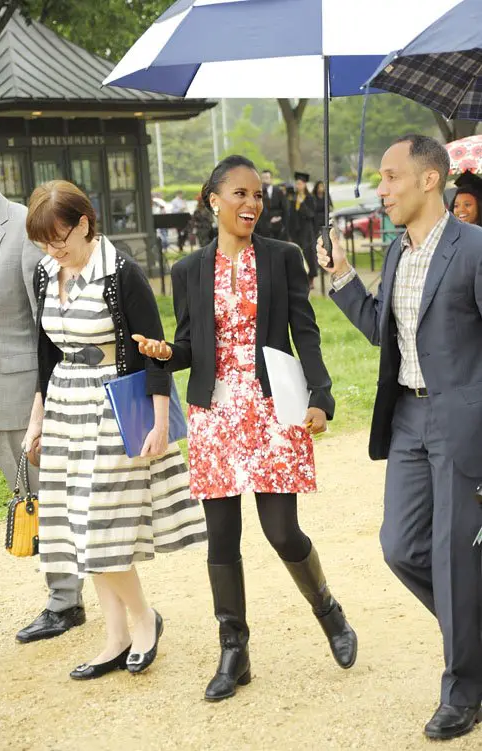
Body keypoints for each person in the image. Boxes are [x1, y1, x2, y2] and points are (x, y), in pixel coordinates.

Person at [134, 155, 357, 702]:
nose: (252, 203)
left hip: (271, 410)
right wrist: (166, 353)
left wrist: (321, 395)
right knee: (222, 538)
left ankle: (327, 609)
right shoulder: (189, 270)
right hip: (215, 418)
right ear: (214, 200)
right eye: (240, 193)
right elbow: (191, 346)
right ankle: (234, 649)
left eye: (257, 194)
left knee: (282, 531)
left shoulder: (283, 257)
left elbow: (305, 331)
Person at [317, 134, 482, 741]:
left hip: (462, 422)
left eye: (391, 177)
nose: (381, 190)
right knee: (401, 547)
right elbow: (382, 332)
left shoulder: (474, 248)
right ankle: (474, 636)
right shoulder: (395, 252)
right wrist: (341, 277)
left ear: (429, 179)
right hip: (408, 420)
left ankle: (463, 691)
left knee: (455, 556)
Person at [24, 180, 206, 680]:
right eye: (43, 243)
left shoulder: (121, 272)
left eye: (59, 239)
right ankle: (116, 636)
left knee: (100, 526)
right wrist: (38, 418)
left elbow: (155, 351)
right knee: (80, 530)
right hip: (65, 404)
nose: (52, 250)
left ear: (84, 224)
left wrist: (161, 423)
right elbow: (45, 353)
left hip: (114, 407)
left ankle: (143, 620)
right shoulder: (45, 272)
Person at [0, 142, 86, 645]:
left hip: (15, 395)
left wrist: (45, 400)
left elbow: (50, 327)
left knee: (40, 499)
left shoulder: (25, 228)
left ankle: (66, 603)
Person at [289, 171, 318, 288]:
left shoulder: (310, 198)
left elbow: (311, 214)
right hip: (296, 229)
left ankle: (311, 279)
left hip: (307, 230)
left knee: (308, 254)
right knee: (297, 254)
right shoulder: (293, 197)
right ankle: (300, 279)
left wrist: (302, 204)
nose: (298, 186)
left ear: (305, 184)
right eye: (297, 184)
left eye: (300, 183)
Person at [255, 168, 288, 239]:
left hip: (277, 227)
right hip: (261, 228)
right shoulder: (257, 192)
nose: (264, 180)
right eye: (263, 178)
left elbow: (285, 209)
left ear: (271, 179)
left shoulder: (278, 191)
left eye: (267, 178)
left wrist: (280, 218)